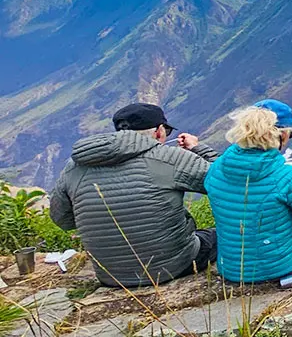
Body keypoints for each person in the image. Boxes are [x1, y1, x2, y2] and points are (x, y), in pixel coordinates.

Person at [48, 103, 219, 288]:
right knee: (220, 235)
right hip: (172, 266)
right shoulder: (169, 157)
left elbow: (61, 219)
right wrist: (198, 148)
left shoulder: (73, 166)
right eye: (166, 130)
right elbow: (229, 181)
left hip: (110, 277)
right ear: (158, 131)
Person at [204, 100, 292, 284]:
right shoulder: (288, 176)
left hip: (232, 269)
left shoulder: (217, 169)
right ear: (282, 135)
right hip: (282, 265)